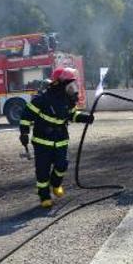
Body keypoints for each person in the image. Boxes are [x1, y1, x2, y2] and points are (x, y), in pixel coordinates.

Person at [19, 67, 94, 208]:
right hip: (42, 142)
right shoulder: (42, 100)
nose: (73, 89)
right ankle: (44, 196)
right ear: (60, 84)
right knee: (42, 171)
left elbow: (71, 115)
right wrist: (24, 133)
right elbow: (26, 116)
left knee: (62, 164)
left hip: (60, 140)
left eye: (73, 85)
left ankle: (56, 184)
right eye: (70, 85)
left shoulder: (68, 100)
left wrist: (85, 118)